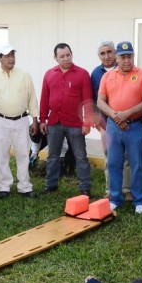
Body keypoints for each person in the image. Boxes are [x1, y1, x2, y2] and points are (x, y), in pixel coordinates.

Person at [97, 41, 142, 214]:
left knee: (137, 164)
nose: (126, 60)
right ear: (117, 57)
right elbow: (100, 101)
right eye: (123, 57)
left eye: (130, 56)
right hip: (113, 127)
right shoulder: (108, 76)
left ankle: (140, 200)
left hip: (134, 127)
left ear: (133, 56)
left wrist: (126, 114)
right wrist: (115, 115)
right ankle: (115, 198)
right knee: (114, 163)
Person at [0, 44, 39, 198]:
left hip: (21, 120)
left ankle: (24, 186)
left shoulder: (24, 75)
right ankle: (3, 186)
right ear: (0, 58)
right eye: (7, 56)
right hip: (0, 120)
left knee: (23, 153)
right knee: (2, 154)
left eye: (13, 54)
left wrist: (34, 120)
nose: (11, 58)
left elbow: (32, 98)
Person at [39, 43, 94, 196]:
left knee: (80, 156)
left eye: (68, 55)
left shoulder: (82, 74)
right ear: (55, 58)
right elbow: (44, 99)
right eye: (62, 56)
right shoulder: (49, 74)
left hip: (75, 124)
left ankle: (85, 187)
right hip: (54, 122)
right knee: (53, 156)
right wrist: (43, 119)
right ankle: (51, 184)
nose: (66, 59)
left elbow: (88, 100)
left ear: (72, 54)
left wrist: (87, 122)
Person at [91, 40, 132, 201]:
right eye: (102, 53)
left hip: (126, 122)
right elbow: (93, 99)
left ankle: (127, 189)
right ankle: (110, 189)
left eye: (109, 52)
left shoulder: (126, 69)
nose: (107, 56)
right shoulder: (95, 73)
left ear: (115, 53)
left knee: (127, 157)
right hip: (106, 123)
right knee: (109, 157)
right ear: (99, 56)